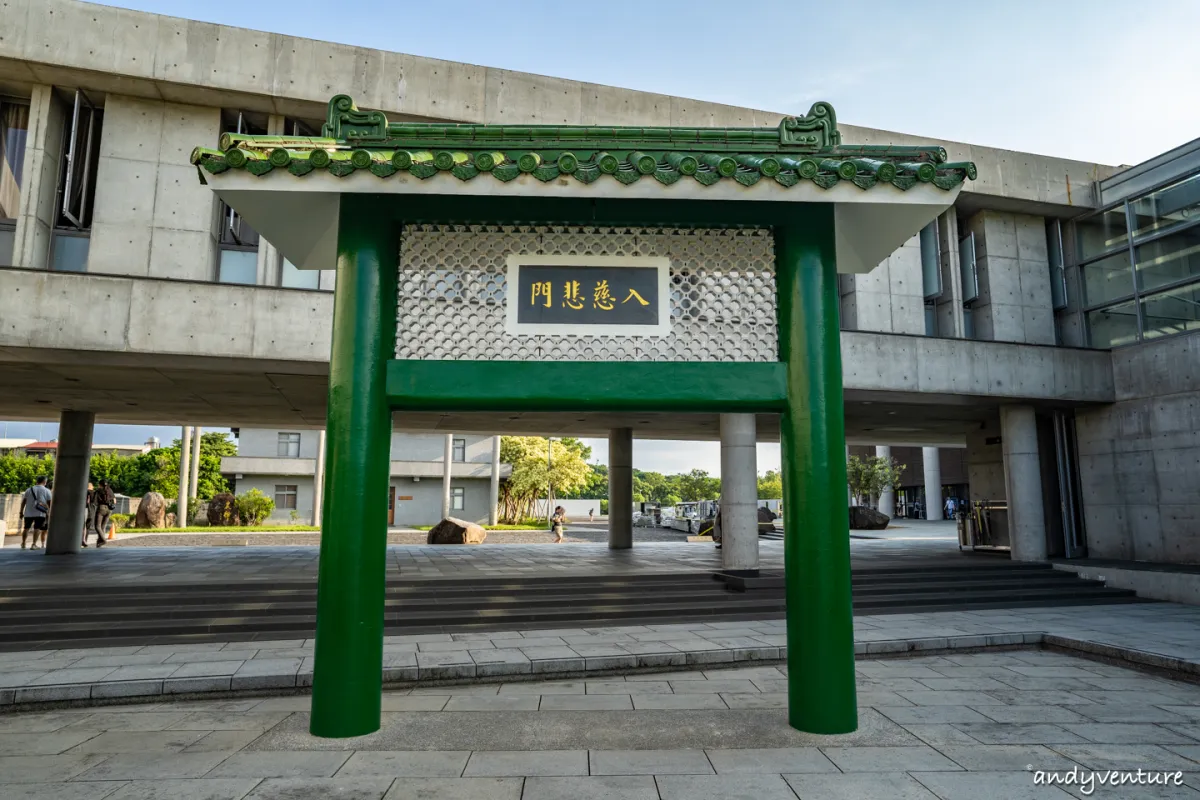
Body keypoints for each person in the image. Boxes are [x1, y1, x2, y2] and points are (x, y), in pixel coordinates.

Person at [19, 476, 52, 550]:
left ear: (37, 481)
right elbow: (49, 503)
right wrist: (48, 513)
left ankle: (23, 543)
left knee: (26, 528)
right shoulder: (47, 491)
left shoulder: (29, 489)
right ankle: (34, 544)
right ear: (45, 482)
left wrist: (21, 512)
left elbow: (23, 502)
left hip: (28, 513)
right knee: (37, 528)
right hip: (40, 513)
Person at [91, 480, 114, 548]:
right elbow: (114, 500)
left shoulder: (99, 490)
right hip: (109, 509)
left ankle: (103, 540)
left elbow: (94, 501)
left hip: (101, 508)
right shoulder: (110, 490)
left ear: (100, 484)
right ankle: (99, 543)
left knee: (97, 526)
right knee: (102, 527)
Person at [82, 482, 97, 547]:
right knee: (87, 527)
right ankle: (85, 540)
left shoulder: (84, 492)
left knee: (83, 526)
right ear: (91, 486)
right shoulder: (94, 493)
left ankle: (82, 540)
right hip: (92, 512)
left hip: (85, 509)